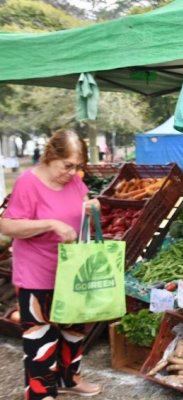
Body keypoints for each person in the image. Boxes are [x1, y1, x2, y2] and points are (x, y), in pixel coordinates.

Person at [0, 129, 102, 399]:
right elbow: (8, 225)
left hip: (70, 271)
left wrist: (90, 211)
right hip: (36, 272)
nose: (72, 172)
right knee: (40, 336)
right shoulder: (27, 183)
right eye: (67, 165)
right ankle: (41, 393)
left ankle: (70, 379)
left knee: (73, 330)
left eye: (78, 166)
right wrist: (50, 224)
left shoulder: (75, 183)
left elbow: (80, 218)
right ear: (50, 156)